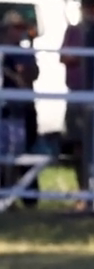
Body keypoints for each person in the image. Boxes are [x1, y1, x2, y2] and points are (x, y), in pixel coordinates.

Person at [59, 0, 94, 182]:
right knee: (78, 142)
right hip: (77, 92)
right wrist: (81, 57)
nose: (89, 10)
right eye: (86, 6)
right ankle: (84, 188)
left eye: (93, 6)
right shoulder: (73, 31)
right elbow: (64, 56)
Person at [0, 13, 36, 162]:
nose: (21, 31)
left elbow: (30, 77)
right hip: (4, 110)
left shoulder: (25, 53)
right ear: (6, 29)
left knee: (18, 155)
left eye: (22, 28)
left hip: (20, 111)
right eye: (17, 27)